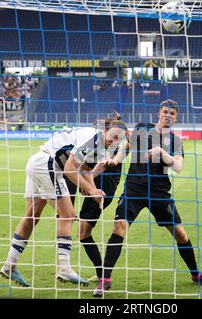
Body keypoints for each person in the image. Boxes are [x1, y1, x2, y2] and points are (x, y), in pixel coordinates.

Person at [93, 100, 202, 297]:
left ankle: (196, 275)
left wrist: (161, 153)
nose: (168, 115)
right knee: (119, 227)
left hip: (159, 192)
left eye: (172, 113)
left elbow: (177, 167)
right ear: (159, 113)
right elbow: (125, 146)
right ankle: (104, 281)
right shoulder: (143, 129)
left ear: (176, 118)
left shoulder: (176, 141)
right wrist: (116, 160)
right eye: (165, 112)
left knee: (181, 235)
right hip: (134, 189)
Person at [0, 114, 127, 287]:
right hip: (49, 164)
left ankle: (9, 265)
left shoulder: (99, 145)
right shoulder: (95, 138)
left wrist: (93, 190)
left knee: (32, 215)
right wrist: (90, 189)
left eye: (118, 139)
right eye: (113, 135)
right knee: (68, 215)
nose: (114, 140)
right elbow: (69, 169)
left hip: (37, 162)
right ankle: (65, 269)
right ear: (105, 131)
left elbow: (85, 170)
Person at [78, 114, 130, 282]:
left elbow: (103, 165)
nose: (115, 139)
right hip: (100, 186)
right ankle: (102, 273)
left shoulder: (118, 146)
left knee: (83, 233)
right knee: (83, 233)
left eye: (118, 136)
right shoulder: (104, 142)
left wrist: (88, 184)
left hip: (103, 188)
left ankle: (103, 275)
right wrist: (87, 183)